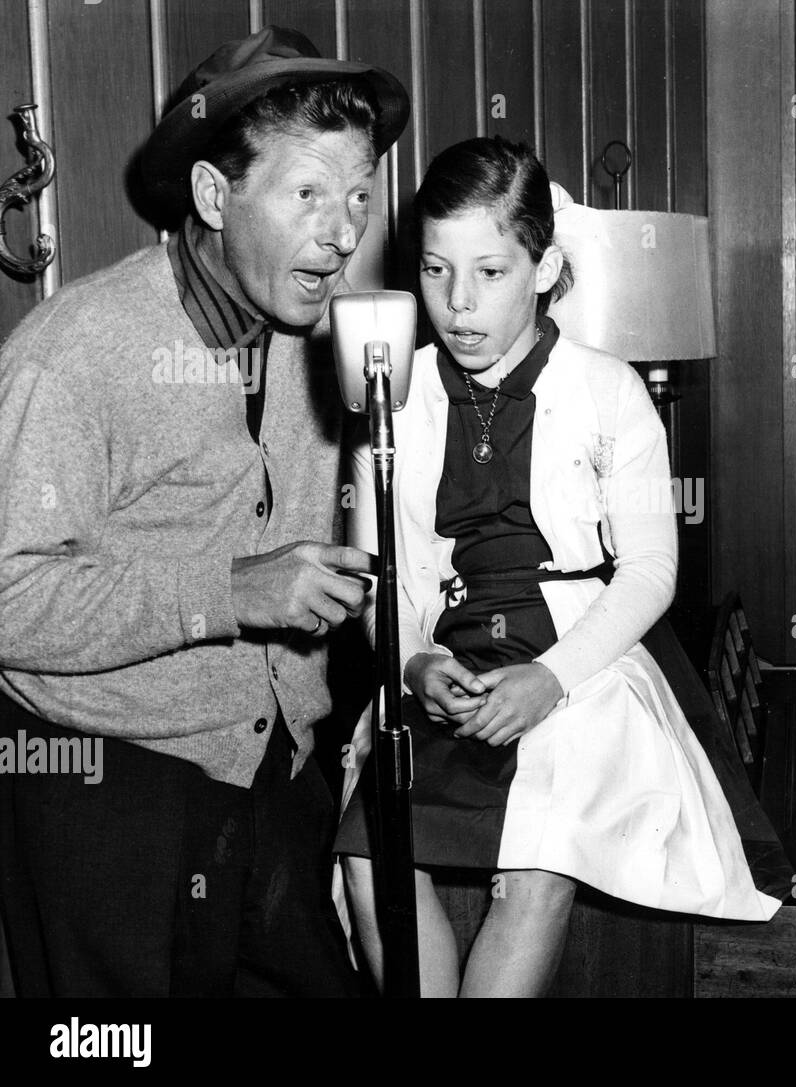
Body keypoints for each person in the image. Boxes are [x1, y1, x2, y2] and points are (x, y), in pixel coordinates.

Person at [0, 26, 409, 996]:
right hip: (109, 789)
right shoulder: (73, 355)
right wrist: (227, 591)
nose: (345, 230)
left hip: (274, 774)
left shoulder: (332, 339)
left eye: (358, 195)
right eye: (307, 193)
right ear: (215, 197)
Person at [335, 136, 784, 997]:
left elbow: (653, 570)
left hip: (584, 659)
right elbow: (390, 577)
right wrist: (415, 663)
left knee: (542, 854)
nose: (458, 303)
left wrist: (550, 679)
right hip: (446, 656)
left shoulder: (609, 390)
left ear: (544, 268)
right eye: (435, 271)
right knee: (369, 850)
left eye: (491, 272)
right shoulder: (396, 399)